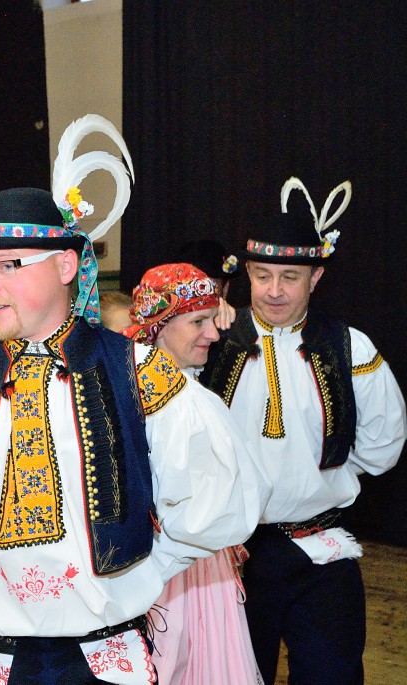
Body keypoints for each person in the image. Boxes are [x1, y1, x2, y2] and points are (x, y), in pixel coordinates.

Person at [0, 186, 266, 685]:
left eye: (8, 265)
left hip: (105, 656)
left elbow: (218, 498)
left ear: (65, 265)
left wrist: (140, 569)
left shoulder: (137, 369)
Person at [200, 177, 406, 685]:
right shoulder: (212, 341)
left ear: (315, 278)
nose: (274, 291)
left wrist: (319, 476)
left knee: (331, 675)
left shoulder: (348, 346)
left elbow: (383, 446)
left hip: (320, 549)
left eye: (289, 277)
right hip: (228, 558)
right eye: (262, 275)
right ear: (247, 275)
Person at [122, 263, 270, 685]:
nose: (213, 334)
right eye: (197, 322)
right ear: (159, 327)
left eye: (211, 319)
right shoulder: (179, 399)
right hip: (177, 567)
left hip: (179, 565)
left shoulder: (146, 382)